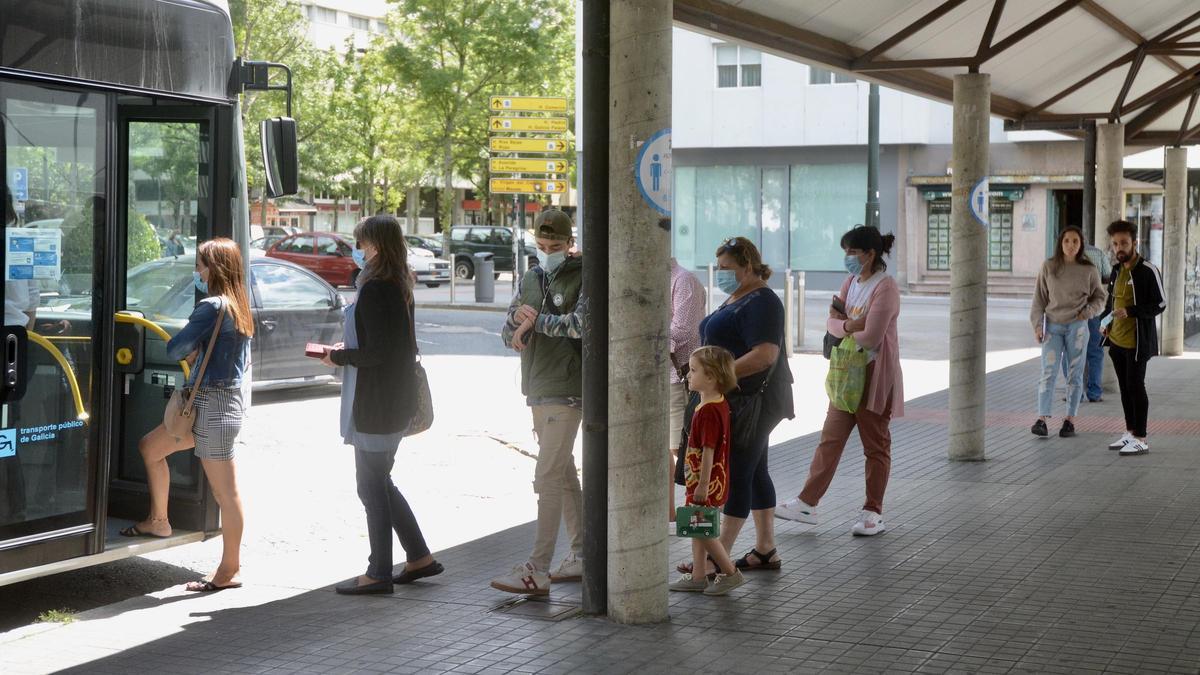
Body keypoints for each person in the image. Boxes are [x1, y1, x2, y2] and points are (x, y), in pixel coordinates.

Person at [122, 238, 252, 592]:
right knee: (151, 447)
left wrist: (190, 349)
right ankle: (159, 520)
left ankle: (229, 570)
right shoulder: (238, 304)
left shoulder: (211, 306)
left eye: (200, 265)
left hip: (211, 405)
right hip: (215, 404)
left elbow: (175, 347)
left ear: (216, 268)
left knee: (226, 493)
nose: (197, 272)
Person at [321, 215, 442, 595]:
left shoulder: (376, 288)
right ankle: (419, 557)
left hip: (377, 403)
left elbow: (376, 352)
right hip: (394, 400)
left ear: (376, 245)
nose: (359, 251)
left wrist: (338, 357)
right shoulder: (398, 284)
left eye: (362, 243)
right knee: (380, 482)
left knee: (370, 486)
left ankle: (379, 573)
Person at [677, 236, 793, 576]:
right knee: (756, 470)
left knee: (739, 471)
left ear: (747, 266)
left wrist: (716, 377)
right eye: (720, 267)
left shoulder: (762, 302)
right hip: (742, 399)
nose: (722, 273)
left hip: (754, 400)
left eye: (727, 268)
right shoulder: (739, 297)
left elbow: (765, 354)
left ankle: (718, 558)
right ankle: (765, 548)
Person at [777, 225, 902, 536]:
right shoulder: (850, 282)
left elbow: (872, 336)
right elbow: (831, 324)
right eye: (846, 252)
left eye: (852, 252)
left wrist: (843, 324)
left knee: (875, 445)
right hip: (846, 375)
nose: (847, 258)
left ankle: (873, 512)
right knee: (830, 440)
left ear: (870, 254)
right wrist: (851, 324)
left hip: (874, 376)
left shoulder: (885, 287)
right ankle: (807, 502)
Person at [492, 210, 585, 596]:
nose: (547, 252)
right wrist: (517, 320)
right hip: (538, 389)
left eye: (555, 247)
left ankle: (538, 568)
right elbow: (505, 331)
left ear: (569, 243)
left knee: (546, 477)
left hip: (567, 389)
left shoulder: (584, 274)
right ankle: (581, 554)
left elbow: (582, 325)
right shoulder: (532, 276)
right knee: (562, 475)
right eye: (542, 246)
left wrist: (537, 321)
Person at [669, 346, 745, 596]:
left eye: (693, 370)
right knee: (696, 526)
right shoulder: (715, 403)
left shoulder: (709, 412)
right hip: (707, 479)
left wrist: (702, 484)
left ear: (711, 377)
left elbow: (709, 450)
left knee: (702, 528)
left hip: (706, 482)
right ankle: (699, 575)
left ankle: (730, 572)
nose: (688, 375)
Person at [1029, 226, 1107, 438]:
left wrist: (1088, 312)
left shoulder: (1089, 269)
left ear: (1081, 244)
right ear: (1060, 243)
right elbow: (1039, 299)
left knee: (1075, 373)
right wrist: (1038, 325)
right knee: (1048, 372)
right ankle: (1042, 419)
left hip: (1077, 327)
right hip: (1052, 327)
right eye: (1067, 241)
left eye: (1075, 241)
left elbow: (1100, 297)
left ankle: (1070, 420)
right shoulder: (1049, 266)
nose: (1071, 245)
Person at [1100, 220, 1166, 456]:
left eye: (1124, 243)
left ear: (1134, 243)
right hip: (1116, 340)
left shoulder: (1148, 270)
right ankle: (1130, 432)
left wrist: (1132, 311)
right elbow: (1112, 300)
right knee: (1125, 388)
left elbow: (1161, 303)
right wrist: (1105, 322)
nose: (1119, 247)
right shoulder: (1116, 269)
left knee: (1136, 386)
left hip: (1137, 342)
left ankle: (1141, 437)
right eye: (1116, 243)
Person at [667, 233, 706, 523]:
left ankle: (695, 521)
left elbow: (683, 331)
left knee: (683, 451)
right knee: (665, 454)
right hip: (657, 379)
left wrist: (644, 344)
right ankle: (670, 518)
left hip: (677, 379)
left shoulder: (683, 281)